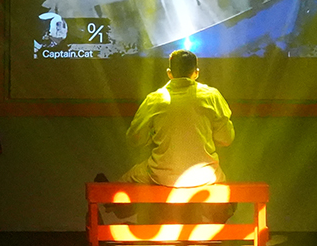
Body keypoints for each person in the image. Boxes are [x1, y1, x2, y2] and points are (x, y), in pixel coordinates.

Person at [100, 49, 236, 224]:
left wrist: (153, 134)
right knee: (224, 187)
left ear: (169, 73)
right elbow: (226, 139)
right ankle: (221, 216)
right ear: (196, 72)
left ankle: (113, 205)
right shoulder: (212, 96)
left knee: (128, 179)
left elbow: (134, 140)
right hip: (205, 175)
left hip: (162, 175)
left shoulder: (154, 99)